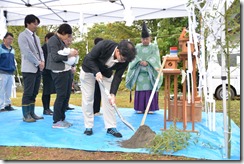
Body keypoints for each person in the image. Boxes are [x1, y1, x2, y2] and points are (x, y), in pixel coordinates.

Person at [79, 39, 136, 138]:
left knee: (109, 100)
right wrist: (96, 72)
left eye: (125, 60)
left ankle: (111, 127)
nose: (123, 61)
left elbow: (118, 77)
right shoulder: (104, 45)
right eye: (122, 58)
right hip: (88, 70)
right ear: (118, 51)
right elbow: (89, 59)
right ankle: (88, 126)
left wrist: (113, 94)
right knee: (88, 98)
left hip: (106, 73)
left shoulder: (125, 59)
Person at [46, 23, 78, 128]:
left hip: (66, 70)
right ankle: (56, 121)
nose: (68, 38)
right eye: (68, 36)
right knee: (61, 96)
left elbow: (63, 53)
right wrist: (69, 54)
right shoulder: (53, 40)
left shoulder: (60, 41)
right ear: (63, 33)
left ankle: (62, 118)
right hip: (58, 72)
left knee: (66, 95)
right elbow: (55, 57)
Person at [126, 22, 163, 114]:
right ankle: (140, 107)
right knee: (140, 89)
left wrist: (148, 62)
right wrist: (139, 61)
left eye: (146, 39)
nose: (145, 40)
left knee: (151, 88)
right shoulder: (137, 46)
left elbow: (156, 57)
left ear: (150, 38)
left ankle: (150, 108)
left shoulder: (154, 47)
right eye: (143, 39)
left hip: (150, 72)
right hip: (140, 72)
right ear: (141, 39)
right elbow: (134, 56)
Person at [18, 14, 45, 122]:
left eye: (37, 23)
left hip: (38, 68)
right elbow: (27, 52)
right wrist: (38, 62)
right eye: (34, 23)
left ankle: (32, 112)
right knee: (28, 92)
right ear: (28, 23)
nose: (36, 25)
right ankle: (26, 115)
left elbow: (41, 51)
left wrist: (42, 61)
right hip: (29, 68)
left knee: (34, 92)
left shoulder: (36, 37)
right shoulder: (22, 36)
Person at [0, 32, 16, 112]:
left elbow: (13, 60)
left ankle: (7, 104)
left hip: (10, 72)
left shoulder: (12, 49)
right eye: (9, 39)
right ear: (4, 39)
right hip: (2, 72)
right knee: (1, 89)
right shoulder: (0, 48)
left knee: (9, 90)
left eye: (11, 39)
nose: (10, 41)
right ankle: (1, 106)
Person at [41, 32, 55, 115]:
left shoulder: (50, 47)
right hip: (46, 71)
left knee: (49, 90)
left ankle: (48, 108)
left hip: (51, 70)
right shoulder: (44, 47)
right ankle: (45, 108)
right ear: (47, 39)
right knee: (46, 90)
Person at [63, 35, 75, 111]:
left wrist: (73, 66)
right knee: (62, 92)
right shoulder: (62, 49)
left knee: (68, 90)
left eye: (70, 41)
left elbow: (72, 59)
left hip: (69, 71)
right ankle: (62, 107)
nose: (69, 42)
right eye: (68, 41)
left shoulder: (69, 49)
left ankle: (66, 104)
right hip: (62, 71)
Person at [93, 37, 103, 116]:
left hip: (100, 75)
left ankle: (96, 110)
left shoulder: (102, 52)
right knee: (95, 93)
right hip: (94, 75)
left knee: (98, 93)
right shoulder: (94, 52)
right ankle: (94, 110)